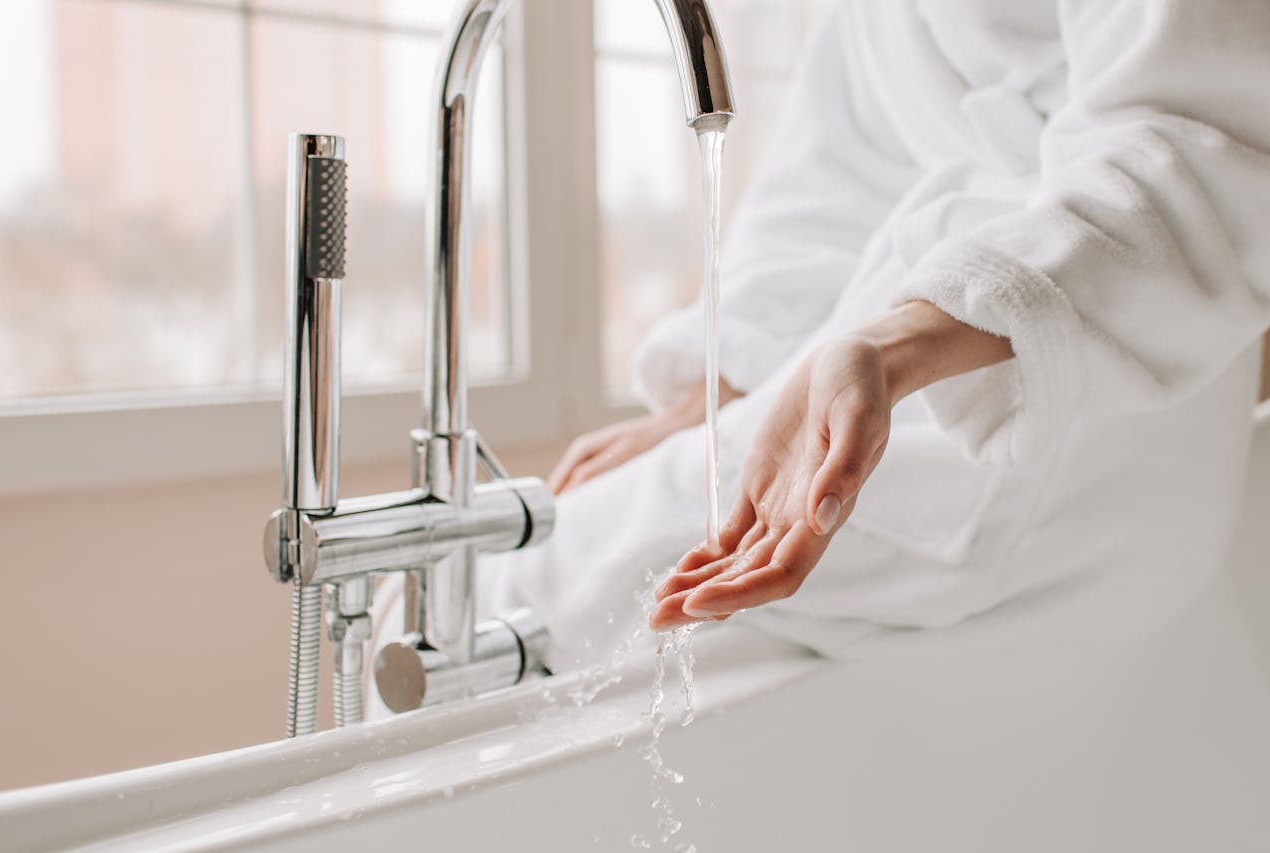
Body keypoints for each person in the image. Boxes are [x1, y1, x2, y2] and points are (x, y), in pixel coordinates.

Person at [380, 0, 1270, 673]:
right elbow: (833, 180)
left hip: (1049, 392)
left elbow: (1206, 138)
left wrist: (900, 342)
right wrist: (704, 401)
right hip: (894, 369)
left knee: (488, 604)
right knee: (470, 585)